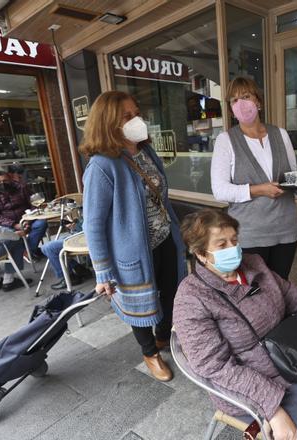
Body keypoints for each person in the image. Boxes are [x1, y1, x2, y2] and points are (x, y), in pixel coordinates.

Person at [174, 209, 297, 440]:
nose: (233, 249)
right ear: (201, 254)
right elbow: (214, 367)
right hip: (258, 380)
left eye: (234, 240)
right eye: (221, 245)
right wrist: (272, 408)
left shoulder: (254, 263)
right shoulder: (191, 298)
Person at [80, 91, 187, 382]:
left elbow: (160, 198)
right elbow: (93, 224)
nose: (136, 120)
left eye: (136, 113)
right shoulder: (101, 166)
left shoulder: (145, 152)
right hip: (132, 252)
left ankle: (164, 337)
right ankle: (150, 352)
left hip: (164, 240)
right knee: (138, 302)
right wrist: (102, 271)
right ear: (109, 123)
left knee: (171, 292)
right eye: (127, 116)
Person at [210, 76, 297, 280]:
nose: (240, 104)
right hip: (251, 233)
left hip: (286, 228)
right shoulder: (226, 141)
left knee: (280, 284)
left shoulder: (281, 135)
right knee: (256, 290)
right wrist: (259, 189)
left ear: (257, 101)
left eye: (245, 96)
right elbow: (219, 190)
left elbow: (291, 177)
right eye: (234, 100)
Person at [0, 169, 48, 259]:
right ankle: (29, 252)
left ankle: (27, 250)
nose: (2, 183)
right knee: (9, 233)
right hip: (7, 223)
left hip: (27, 218)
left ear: (10, 179)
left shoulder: (21, 187)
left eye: (5, 181)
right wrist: (15, 225)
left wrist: (28, 220)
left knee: (41, 223)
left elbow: (34, 203)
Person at [40, 218, 92, 290]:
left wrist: (75, 226)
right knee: (47, 247)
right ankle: (79, 269)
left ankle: (69, 277)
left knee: (48, 248)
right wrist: (75, 224)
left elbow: (90, 223)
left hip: (86, 236)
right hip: (81, 233)